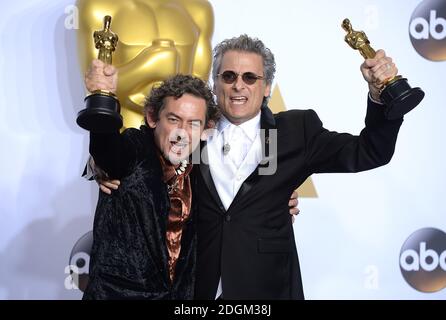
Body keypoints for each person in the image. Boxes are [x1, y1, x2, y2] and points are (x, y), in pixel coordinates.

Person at [193, 34, 405, 300]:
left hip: (268, 289)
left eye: (250, 77)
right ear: (215, 83)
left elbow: (370, 151)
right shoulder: (192, 129)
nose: (238, 85)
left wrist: (380, 95)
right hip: (196, 289)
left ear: (267, 86)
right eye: (228, 76)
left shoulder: (296, 130)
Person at [82, 62, 218, 299]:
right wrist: (102, 96)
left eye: (193, 123)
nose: (182, 132)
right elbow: (108, 150)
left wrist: (282, 197)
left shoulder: (203, 167)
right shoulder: (136, 147)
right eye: (174, 119)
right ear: (153, 118)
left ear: (206, 129)